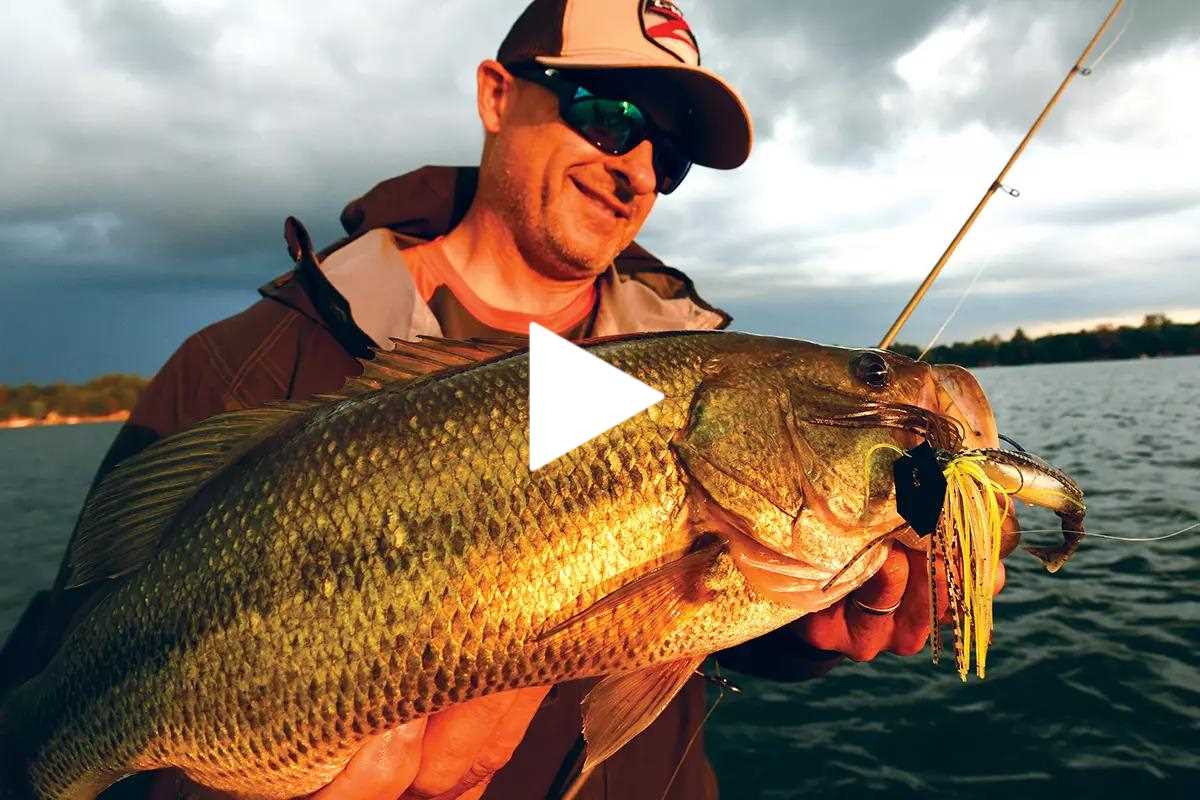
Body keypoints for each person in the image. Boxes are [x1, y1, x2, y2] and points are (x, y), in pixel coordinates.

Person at [0, 1, 1005, 798]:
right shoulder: (240, 367)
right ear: (495, 94)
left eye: (669, 155)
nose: (634, 167)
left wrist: (816, 624)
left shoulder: (695, 366)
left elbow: (680, 612)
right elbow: (64, 663)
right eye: (609, 113)